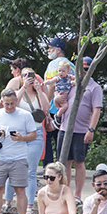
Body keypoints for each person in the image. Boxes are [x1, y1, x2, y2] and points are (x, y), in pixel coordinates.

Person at [0, 67, 47, 214]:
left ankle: (30, 205)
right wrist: (24, 86)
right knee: (12, 167)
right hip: (17, 136)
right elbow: (13, 103)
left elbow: (45, 108)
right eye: (25, 75)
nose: (29, 78)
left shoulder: (39, 92)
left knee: (31, 171)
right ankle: (7, 201)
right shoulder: (19, 91)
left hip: (35, 135)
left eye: (31, 75)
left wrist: (38, 89)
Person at [56, 57, 103, 199]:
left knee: (79, 162)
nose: (83, 72)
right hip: (64, 129)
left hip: (81, 131)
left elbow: (96, 110)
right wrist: (56, 100)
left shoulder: (94, 87)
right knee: (64, 162)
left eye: (86, 69)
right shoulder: (70, 83)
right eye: (80, 70)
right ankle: (65, 192)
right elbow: (57, 97)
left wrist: (91, 129)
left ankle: (77, 195)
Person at [42, 37, 73, 166]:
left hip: (55, 106)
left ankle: (49, 167)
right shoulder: (68, 64)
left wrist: (46, 105)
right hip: (62, 106)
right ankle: (60, 166)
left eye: (51, 48)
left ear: (58, 49)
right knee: (59, 138)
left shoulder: (57, 64)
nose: (48, 51)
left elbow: (53, 85)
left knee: (50, 137)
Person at [52, 60, 73, 129]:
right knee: (64, 106)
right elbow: (51, 81)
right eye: (59, 71)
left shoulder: (69, 77)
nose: (61, 73)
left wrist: (74, 82)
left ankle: (58, 116)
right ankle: (57, 116)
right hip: (60, 95)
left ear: (67, 71)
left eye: (63, 71)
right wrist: (45, 83)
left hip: (64, 96)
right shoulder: (57, 78)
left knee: (64, 107)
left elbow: (76, 79)